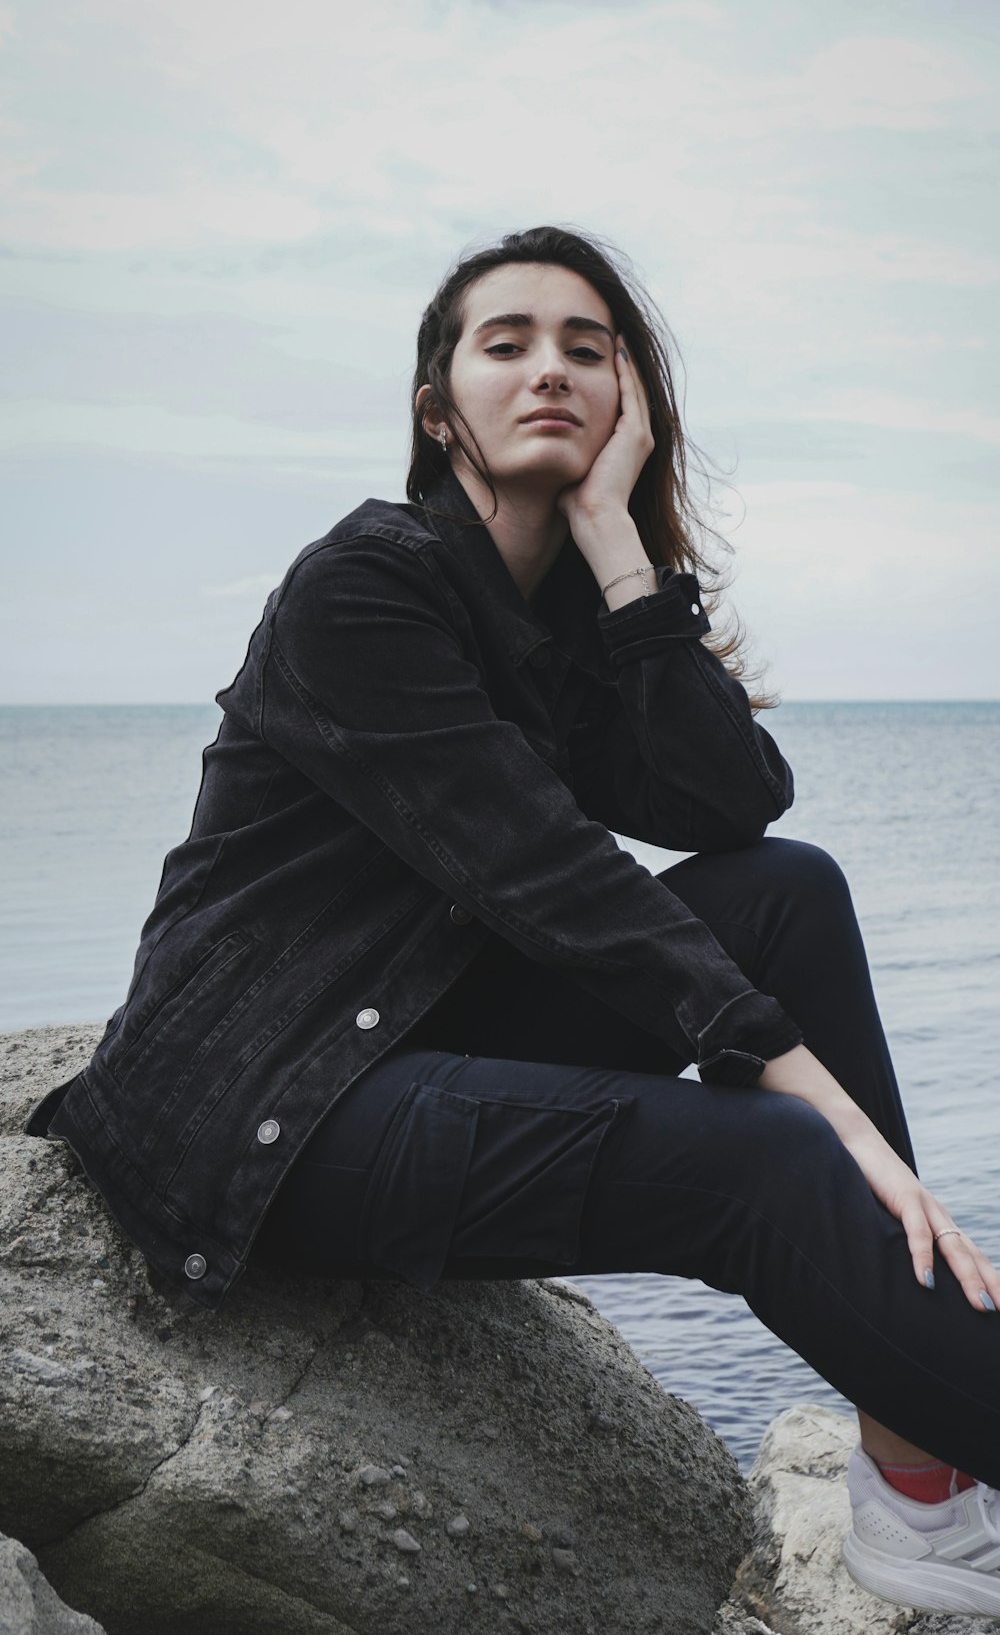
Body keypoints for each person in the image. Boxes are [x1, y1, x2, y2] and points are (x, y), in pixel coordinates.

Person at [25, 225, 1000, 1619]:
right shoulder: (363, 584)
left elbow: (737, 803)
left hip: (412, 1040)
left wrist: (615, 539)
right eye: (507, 341)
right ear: (439, 409)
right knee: (771, 1158)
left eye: (587, 348)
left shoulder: (553, 620)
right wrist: (812, 1092)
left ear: (628, 406)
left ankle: (918, 1483)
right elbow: (543, 869)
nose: (550, 367)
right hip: (270, 1112)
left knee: (792, 891)